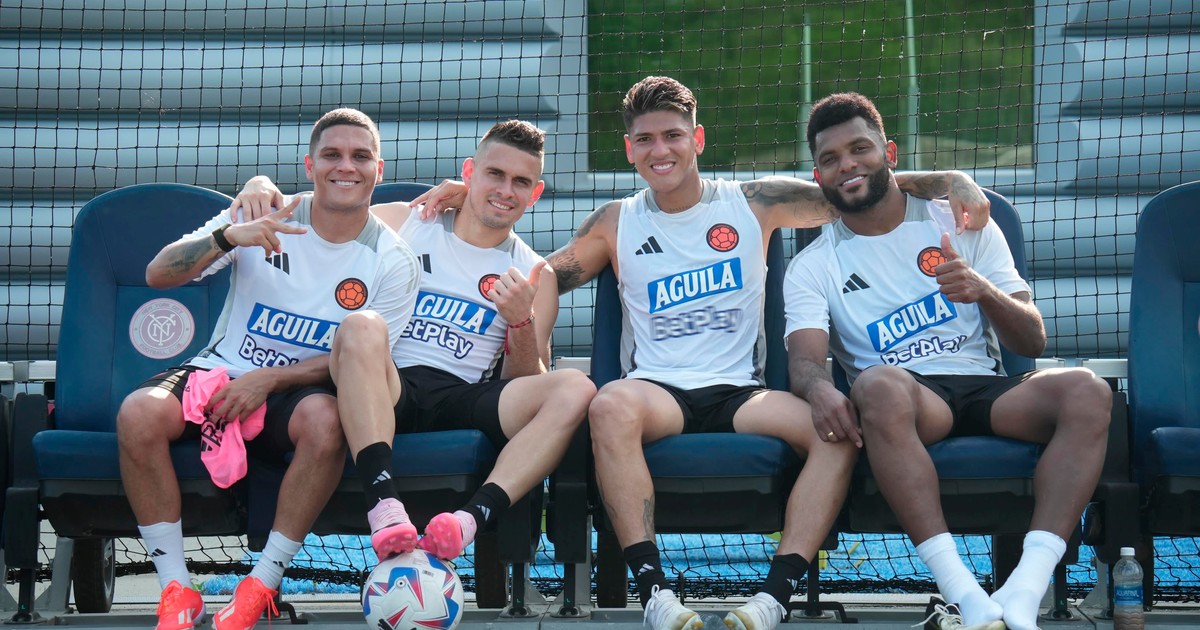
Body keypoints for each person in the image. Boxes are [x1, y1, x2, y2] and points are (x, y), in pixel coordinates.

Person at [399, 76, 989, 630]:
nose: (661, 150)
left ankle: (772, 599)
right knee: (608, 405)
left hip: (742, 393)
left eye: (673, 136)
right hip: (658, 391)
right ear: (629, 150)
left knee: (836, 428)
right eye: (645, 140)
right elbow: (537, 276)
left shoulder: (756, 202)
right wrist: (471, 200)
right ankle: (656, 595)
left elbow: (856, 186)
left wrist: (950, 179)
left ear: (697, 139)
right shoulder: (614, 222)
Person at [783, 92, 1111, 630]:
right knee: (877, 384)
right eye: (830, 158)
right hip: (910, 402)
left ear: (889, 152)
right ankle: (963, 592)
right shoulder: (814, 263)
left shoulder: (960, 221)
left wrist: (982, 290)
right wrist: (820, 389)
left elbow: (1032, 339)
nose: (847, 165)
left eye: (860, 149)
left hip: (985, 388)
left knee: (1089, 390)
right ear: (818, 176)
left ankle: (1026, 588)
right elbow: (805, 362)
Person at [232, 120, 595, 563]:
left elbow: (524, 381)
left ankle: (468, 521)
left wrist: (521, 322)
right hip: (387, 385)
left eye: (520, 182)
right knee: (361, 325)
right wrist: (259, 184)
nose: (505, 190)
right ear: (469, 172)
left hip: (461, 397)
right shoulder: (407, 220)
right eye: (494, 174)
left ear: (535, 194)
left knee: (576, 388)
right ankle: (385, 507)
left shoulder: (536, 274)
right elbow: (325, 207)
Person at [117, 108, 421, 630]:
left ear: (379, 169)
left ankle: (261, 584)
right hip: (221, 369)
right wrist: (228, 237)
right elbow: (157, 273)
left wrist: (270, 379)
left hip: (298, 390)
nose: (345, 166)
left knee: (327, 422)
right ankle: (176, 589)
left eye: (360, 156)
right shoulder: (263, 216)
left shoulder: (394, 260)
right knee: (137, 414)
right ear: (309, 165)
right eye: (331, 154)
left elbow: (364, 363)